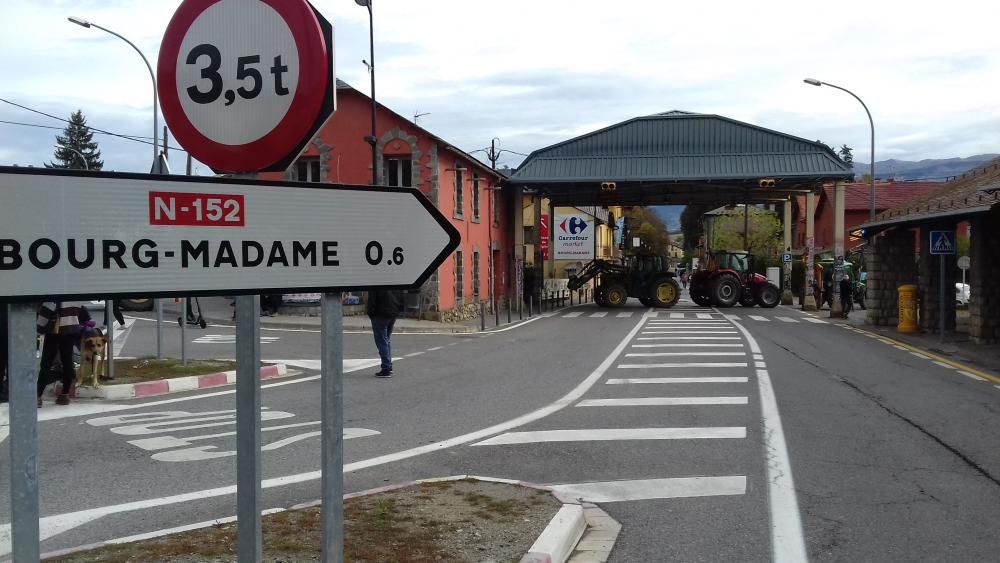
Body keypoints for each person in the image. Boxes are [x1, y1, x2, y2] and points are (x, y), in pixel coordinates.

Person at [36, 301, 91, 407]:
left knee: (46, 364)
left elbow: (45, 314)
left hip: (54, 333)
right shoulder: (75, 296)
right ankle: (64, 395)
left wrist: (38, 331)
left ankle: (38, 396)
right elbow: (85, 316)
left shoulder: (54, 296)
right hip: (71, 331)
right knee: (67, 362)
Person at [367, 289, 402, 378]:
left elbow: (372, 300)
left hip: (379, 314)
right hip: (392, 313)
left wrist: (370, 313)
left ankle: (386, 368)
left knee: (382, 342)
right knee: (386, 340)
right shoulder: (393, 282)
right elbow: (400, 296)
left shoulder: (376, 282)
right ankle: (388, 366)